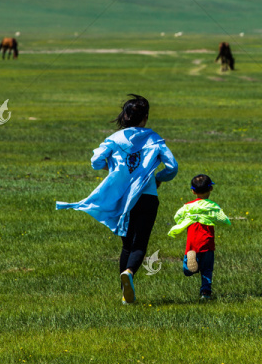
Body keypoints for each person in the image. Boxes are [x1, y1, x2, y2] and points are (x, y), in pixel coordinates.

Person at [56, 94, 178, 304]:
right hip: (147, 197)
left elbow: (95, 161)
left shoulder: (114, 139)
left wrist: (112, 169)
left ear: (125, 116)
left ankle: (125, 294)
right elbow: (172, 167)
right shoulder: (154, 139)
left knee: (127, 245)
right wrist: (158, 178)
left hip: (123, 200)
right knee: (140, 243)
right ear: (146, 117)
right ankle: (129, 273)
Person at [168, 174, 231, 300]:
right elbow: (224, 220)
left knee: (187, 270)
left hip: (192, 242)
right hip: (207, 241)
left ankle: (190, 269)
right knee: (207, 269)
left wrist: (187, 219)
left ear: (193, 191)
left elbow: (177, 216)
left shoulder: (188, 206)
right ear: (211, 189)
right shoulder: (212, 206)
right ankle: (205, 293)